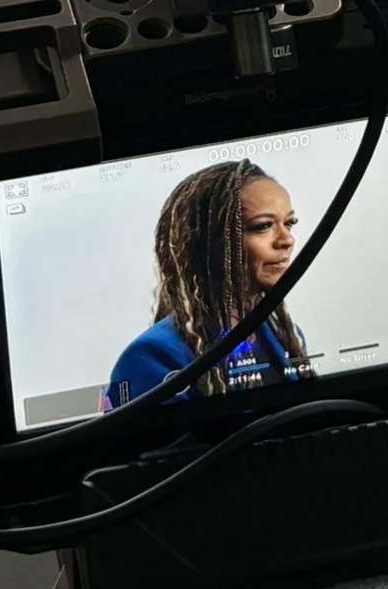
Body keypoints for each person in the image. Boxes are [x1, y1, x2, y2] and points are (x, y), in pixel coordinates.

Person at [103, 158, 312, 409]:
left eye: (289, 223)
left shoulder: (286, 337)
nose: (286, 239)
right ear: (210, 242)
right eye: (263, 226)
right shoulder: (150, 357)